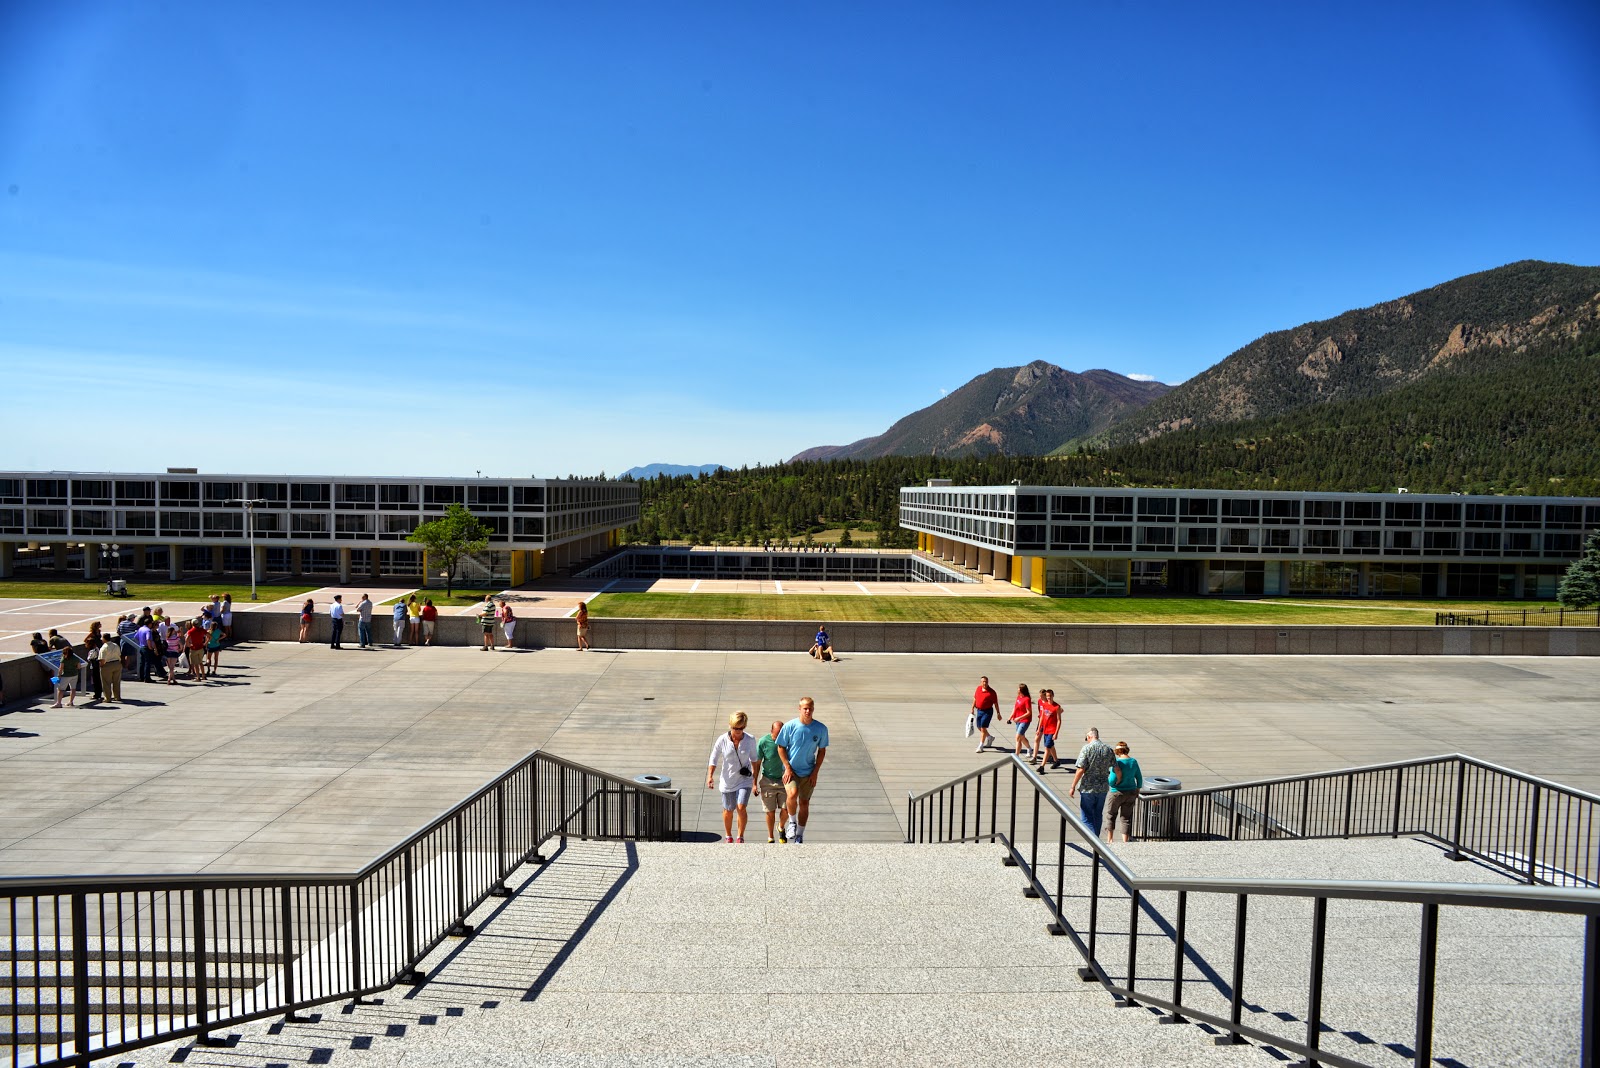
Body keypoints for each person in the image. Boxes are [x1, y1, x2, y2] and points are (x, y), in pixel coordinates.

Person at [777, 696, 829, 845]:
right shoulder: (790, 726)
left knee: (804, 803)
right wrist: (787, 767)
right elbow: (780, 746)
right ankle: (792, 822)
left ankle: (800, 834)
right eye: (804, 708)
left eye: (810, 708)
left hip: (808, 770)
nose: (807, 711)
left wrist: (815, 772)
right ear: (799, 709)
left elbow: (822, 751)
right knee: (792, 794)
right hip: (791, 770)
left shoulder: (820, 728)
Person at [706, 711, 760, 843]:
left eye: (741, 728)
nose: (738, 731)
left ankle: (740, 836)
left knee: (741, 807)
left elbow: (754, 760)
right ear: (730, 726)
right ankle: (728, 835)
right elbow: (713, 758)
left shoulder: (750, 739)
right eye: (735, 728)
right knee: (729, 810)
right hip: (728, 779)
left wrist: (754, 782)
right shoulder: (722, 739)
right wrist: (710, 776)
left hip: (744, 780)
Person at [1068, 728, 1117, 837]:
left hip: (1088, 788)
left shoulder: (1086, 748)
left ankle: (1092, 841)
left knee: (1086, 817)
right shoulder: (1108, 749)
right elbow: (1116, 767)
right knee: (1098, 814)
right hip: (1103, 787)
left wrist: (1073, 786)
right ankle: (1097, 839)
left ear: (1089, 737)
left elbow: (1081, 769)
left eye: (1087, 739)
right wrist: (1117, 781)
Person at [1104, 741, 1145, 844]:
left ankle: (1110, 839)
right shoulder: (1133, 762)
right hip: (1131, 792)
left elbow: (1112, 781)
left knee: (1111, 815)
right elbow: (1139, 778)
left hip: (1116, 793)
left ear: (1117, 751)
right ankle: (1125, 841)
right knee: (1126, 818)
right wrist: (1137, 788)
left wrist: (1112, 782)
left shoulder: (1117, 763)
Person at [756, 719, 788, 843]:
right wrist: (754, 783)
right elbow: (757, 763)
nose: (779, 737)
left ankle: (780, 827)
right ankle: (770, 836)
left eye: (781, 734)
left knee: (786, 809)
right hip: (768, 780)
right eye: (776, 734)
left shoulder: (788, 741)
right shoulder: (763, 742)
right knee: (770, 811)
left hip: (784, 780)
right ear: (771, 731)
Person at [1034, 688, 1063, 772]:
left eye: (1050, 696)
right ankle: (1056, 761)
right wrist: (1039, 729)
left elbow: (1059, 720)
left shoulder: (1056, 707)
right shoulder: (1045, 705)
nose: (1049, 698)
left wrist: (1056, 733)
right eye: (1047, 696)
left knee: (1047, 747)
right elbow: (1042, 717)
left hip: (1052, 729)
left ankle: (1042, 766)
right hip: (1045, 729)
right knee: (1050, 746)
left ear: (1053, 696)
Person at [971, 676, 999, 753]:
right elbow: (975, 698)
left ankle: (981, 746)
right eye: (983, 681)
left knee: (983, 728)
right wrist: (972, 708)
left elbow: (996, 703)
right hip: (979, 711)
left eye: (986, 681)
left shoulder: (992, 692)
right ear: (981, 682)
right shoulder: (978, 689)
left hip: (987, 712)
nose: (985, 683)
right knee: (979, 727)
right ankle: (990, 737)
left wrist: (998, 713)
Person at [51, 643, 80, 708]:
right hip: (74, 674)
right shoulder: (75, 658)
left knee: (61, 689)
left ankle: (59, 703)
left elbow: (61, 668)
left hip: (66, 675)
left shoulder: (63, 659)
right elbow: (78, 667)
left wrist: (59, 675)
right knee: (73, 689)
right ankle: (71, 702)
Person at [1009, 683, 1034, 759]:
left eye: (1019, 689)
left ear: (1022, 690)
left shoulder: (1027, 699)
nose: (1017, 690)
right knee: (1022, 737)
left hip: (1025, 720)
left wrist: (1019, 718)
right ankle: (1029, 749)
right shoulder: (1018, 697)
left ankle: (1016, 756)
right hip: (1017, 720)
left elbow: (1029, 712)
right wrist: (1010, 717)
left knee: (1018, 737)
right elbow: (1015, 707)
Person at [97, 632, 122, 702]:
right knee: (116, 681)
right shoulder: (115, 645)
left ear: (104, 639)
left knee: (106, 682)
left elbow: (102, 659)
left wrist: (101, 666)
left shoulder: (104, 647)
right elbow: (119, 655)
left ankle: (108, 698)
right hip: (117, 663)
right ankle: (117, 696)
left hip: (107, 665)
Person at [83, 623, 104, 703]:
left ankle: (97, 694)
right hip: (98, 661)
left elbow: (89, 658)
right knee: (97, 679)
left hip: (94, 665)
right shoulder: (93, 633)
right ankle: (98, 693)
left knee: (95, 679)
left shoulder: (93, 651)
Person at [134, 618, 158, 682]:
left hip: (141, 647)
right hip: (147, 648)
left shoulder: (141, 629)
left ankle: (141, 677)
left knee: (142, 663)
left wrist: (141, 642)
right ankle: (147, 678)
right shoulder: (148, 631)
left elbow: (136, 637)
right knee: (147, 663)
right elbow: (148, 639)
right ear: (149, 624)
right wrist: (150, 647)